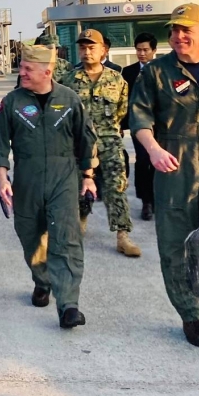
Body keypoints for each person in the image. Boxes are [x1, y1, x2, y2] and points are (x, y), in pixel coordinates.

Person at [130, 3, 199, 348]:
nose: (178, 36)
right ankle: (190, 315)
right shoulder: (155, 72)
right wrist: (153, 149)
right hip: (173, 165)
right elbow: (139, 119)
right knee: (174, 246)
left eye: (186, 30)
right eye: (174, 30)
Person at [0, 45, 97, 329]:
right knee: (30, 236)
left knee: (66, 239)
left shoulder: (70, 99)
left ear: (46, 72)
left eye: (27, 69)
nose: (21, 72)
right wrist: (3, 179)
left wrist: (88, 175)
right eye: (21, 67)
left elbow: (86, 140)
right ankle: (42, 279)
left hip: (64, 177)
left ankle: (68, 305)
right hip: (27, 177)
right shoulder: (12, 102)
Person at [61, 30, 141, 257]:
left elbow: (121, 111)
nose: (86, 52)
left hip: (109, 143)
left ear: (103, 50)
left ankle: (122, 235)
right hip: (78, 145)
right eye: (83, 48)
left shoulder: (116, 79)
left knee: (116, 187)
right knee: (79, 187)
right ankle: (81, 221)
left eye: (92, 47)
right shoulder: (68, 80)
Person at [121, 32, 157, 220]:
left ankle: (158, 199)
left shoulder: (163, 69)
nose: (141, 53)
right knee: (143, 161)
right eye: (138, 50)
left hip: (162, 125)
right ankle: (146, 202)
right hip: (139, 125)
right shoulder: (128, 71)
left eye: (145, 50)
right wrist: (122, 124)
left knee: (159, 164)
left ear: (154, 50)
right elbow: (123, 99)